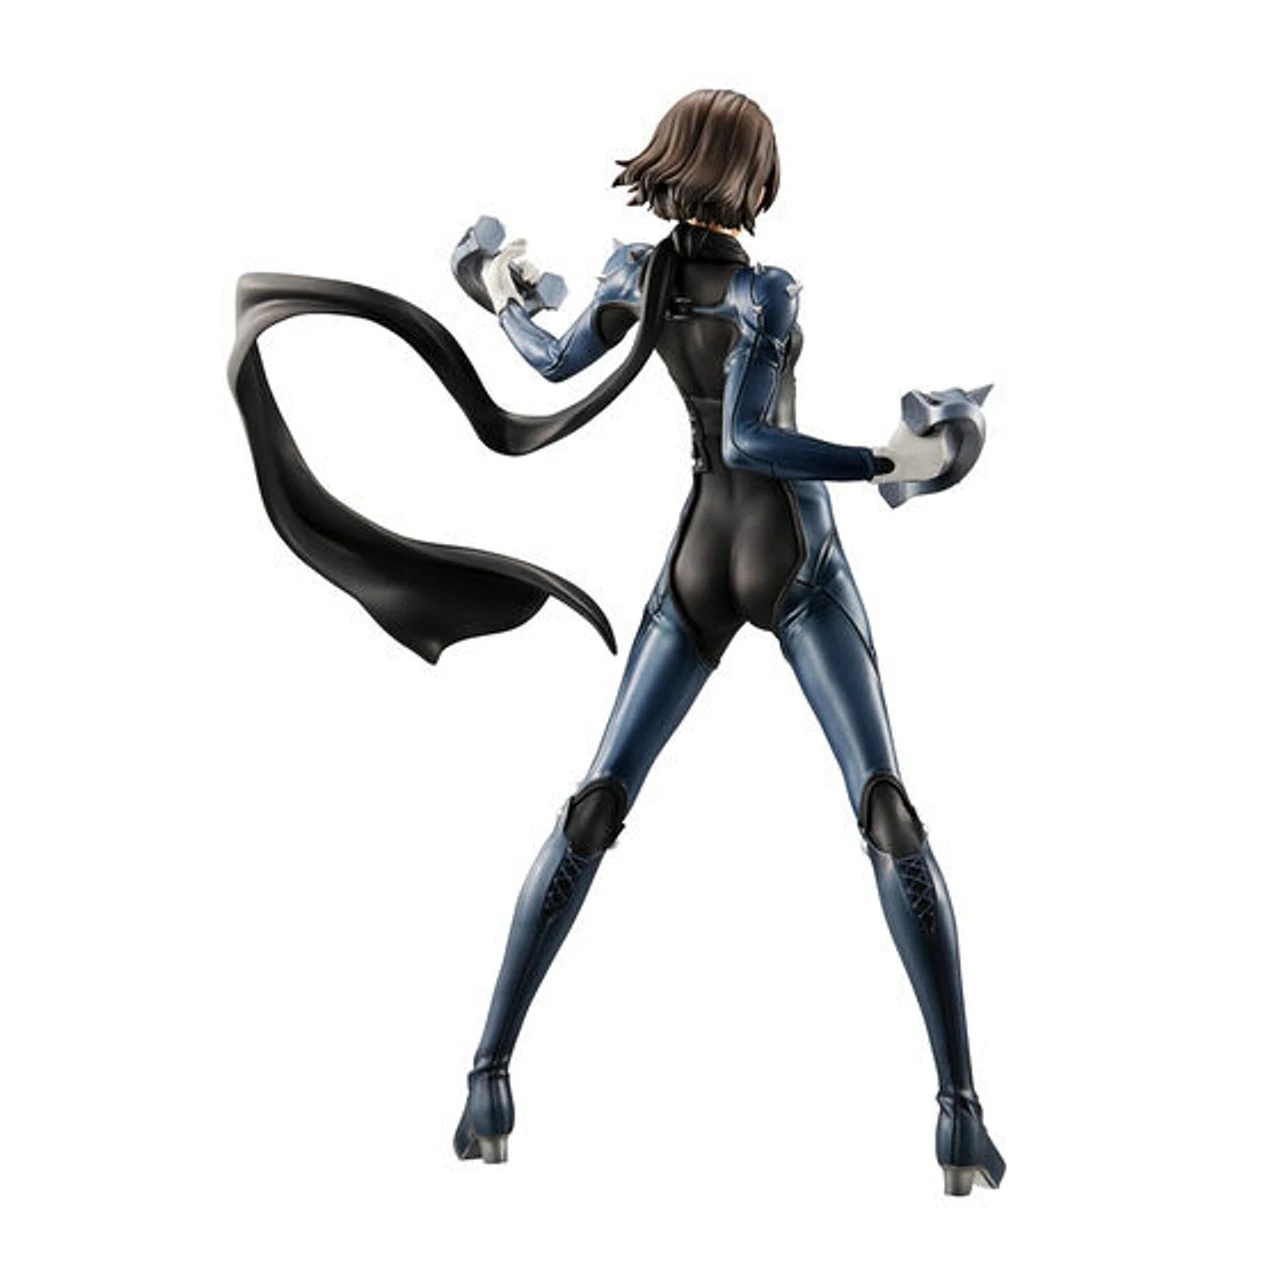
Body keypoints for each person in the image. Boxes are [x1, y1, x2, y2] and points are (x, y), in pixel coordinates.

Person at [449, 89, 1005, 1194]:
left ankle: (486, 1082)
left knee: (597, 802)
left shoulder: (632, 273)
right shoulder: (766, 288)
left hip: (701, 553)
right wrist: (885, 463)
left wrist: (496, 292)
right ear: (750, 179)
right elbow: (753, 436)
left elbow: (553, 363)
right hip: (792, 554)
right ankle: (959, 1115)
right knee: (883, 806)